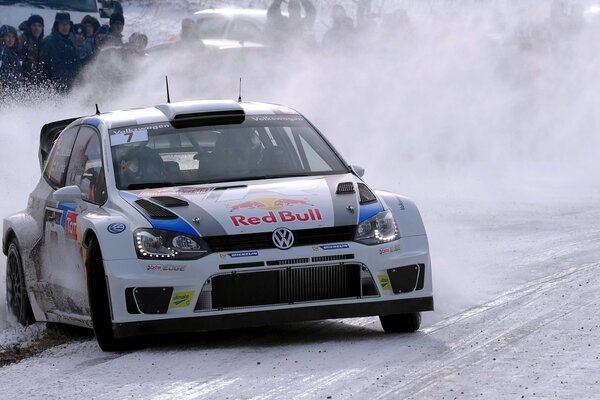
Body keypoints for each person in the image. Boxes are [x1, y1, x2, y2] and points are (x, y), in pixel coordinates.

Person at [42, 12, 80, 92]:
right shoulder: (49, 41)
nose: (65, 27)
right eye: (62, 24)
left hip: (72, 85)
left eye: (67, 24)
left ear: (70, 25)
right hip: (56, 87)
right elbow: (48, 67)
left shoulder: (71, 40)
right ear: (57, 25)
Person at [18, 14, 47, 87]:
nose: (37, 28)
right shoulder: (22, 40)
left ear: (42, 28)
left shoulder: (43, 43)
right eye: (34, 25)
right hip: (23, 84)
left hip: (37, 85)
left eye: (39, 26)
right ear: (29, 27)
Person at [0, 25, 23, 92]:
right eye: (8, 36)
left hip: (14, 92)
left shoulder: (15, 53)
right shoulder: (2, 52)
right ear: (2, 37)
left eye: (13, 37)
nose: (11, 39)